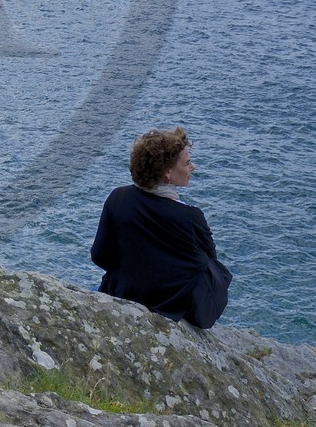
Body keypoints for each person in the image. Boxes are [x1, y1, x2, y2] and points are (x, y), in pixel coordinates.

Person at [90, 126, 232, 328]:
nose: (193, 168)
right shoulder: (190, 216)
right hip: (171, 305)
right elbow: (210, 264)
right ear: (167, 173)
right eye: (187, 163)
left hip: (124, 291)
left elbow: (99, 255)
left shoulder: (118, 197)